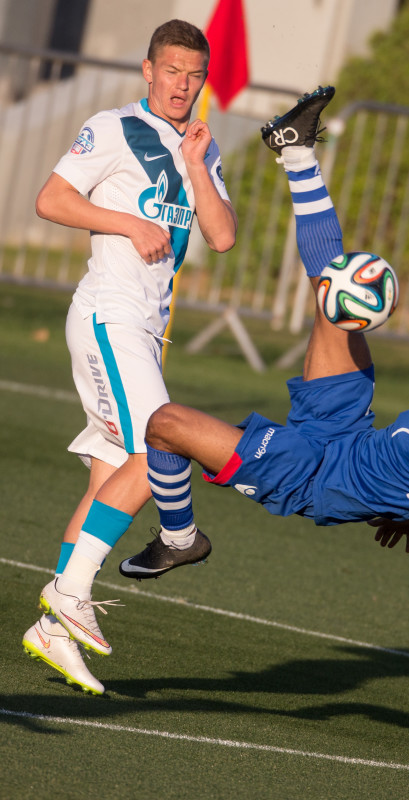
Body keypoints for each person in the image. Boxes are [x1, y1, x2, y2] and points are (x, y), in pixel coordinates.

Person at [118, 86, 409, 715]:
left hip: (313, 476)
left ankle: (179, 538)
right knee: (336, 292)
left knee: (163, 424)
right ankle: (296, 152)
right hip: (346, 427)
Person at [22, 19, 238, 695]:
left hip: (145, 331)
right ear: (148, 70)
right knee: (159, 449)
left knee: (110, 478)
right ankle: (76, 591)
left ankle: (56, 629)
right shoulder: (113, 127)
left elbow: (223, 236)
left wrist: (198, 166)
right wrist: (127, 222)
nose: (182, 85)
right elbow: (51, 200)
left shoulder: (200, 145)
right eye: (171, 71)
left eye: (194, 75)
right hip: (108, 317)